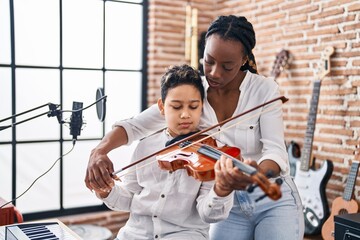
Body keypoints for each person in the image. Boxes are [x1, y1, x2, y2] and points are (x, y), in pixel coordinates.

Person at [86, 15, 304, 239]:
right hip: (223, 202)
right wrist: (99, 151)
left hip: (270, 198)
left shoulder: (264, 90)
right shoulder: (192, 91)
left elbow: (275, 151)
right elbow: (134, 127)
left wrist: (254, 174)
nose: (214, 73)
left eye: (227, 66)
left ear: (244, 59)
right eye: (208, 61)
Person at [93, 64, 236, 240]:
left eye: (193, 107)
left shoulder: (211, 153)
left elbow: (210, 215)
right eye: (176, 107)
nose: (185, 115)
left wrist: (221, 190)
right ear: (161, 107)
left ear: (202, 107)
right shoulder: (145, 146)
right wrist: (105, 191)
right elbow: (130, 199)